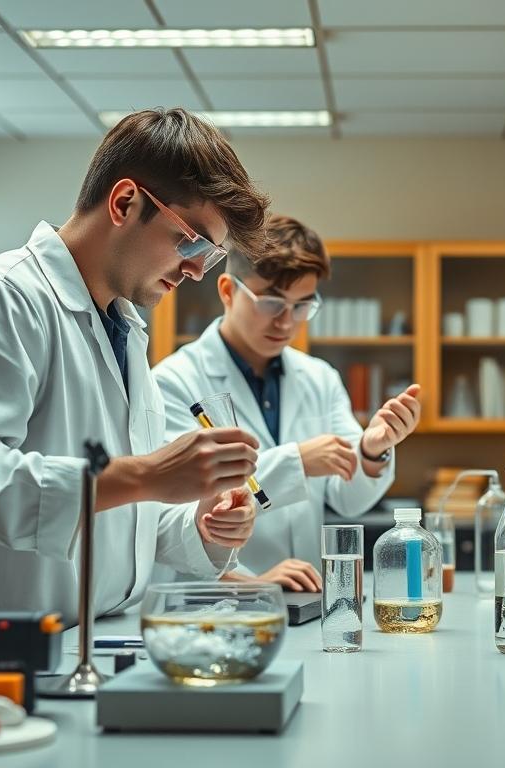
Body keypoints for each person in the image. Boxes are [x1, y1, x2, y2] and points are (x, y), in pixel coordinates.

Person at [0, 108, 269, 700]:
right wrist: (145, 474)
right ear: (125, 201)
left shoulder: (125, 332)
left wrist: (204, 525)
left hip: (72, 661)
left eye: (209, 258)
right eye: (192, 243)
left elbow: (127, 521)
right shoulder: (1, 298)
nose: (194, 271)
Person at [153, 214, 422, 591]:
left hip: (306, 597)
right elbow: (175, 514)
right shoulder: (175, 381)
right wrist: (251, 583)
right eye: (271, 302)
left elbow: (350, 499)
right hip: (219, 597)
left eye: (301, 306)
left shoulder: (320, 378)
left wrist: (372, 450)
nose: (286, 322)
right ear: (228, 291)